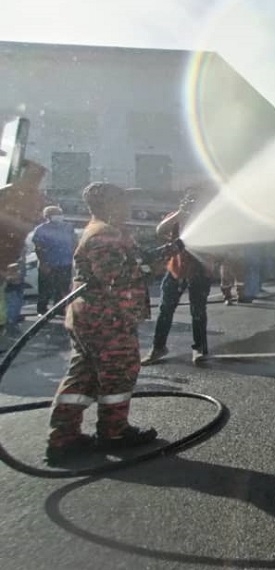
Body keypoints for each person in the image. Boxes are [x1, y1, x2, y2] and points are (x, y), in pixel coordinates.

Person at [46, 183, 161, 465]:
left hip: (89, 320)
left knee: (82, 376)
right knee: (119, 375)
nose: (127, 207)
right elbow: (115, 279)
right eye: (123, 202)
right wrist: (149, 268)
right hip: (107, 322)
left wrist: (142, 257)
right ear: (110, 204)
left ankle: (63, 438)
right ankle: (114, 433)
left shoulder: (100, 230)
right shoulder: (105, 235)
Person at [143, 188, 213, 365]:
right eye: (188, 202)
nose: (191, 206)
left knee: (198, 312)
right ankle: (158, 348)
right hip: (175, 271)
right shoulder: (176, 217)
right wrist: (180, 214)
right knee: (165, 311)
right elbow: (160, 230)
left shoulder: (206, 220)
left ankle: (199, 349)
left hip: (199, 272)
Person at [0, 160, 47, 327]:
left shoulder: (35, 197)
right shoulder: (8, 193)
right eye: (33, 177)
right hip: (6, 249)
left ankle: (6, 322)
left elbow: (35, 221)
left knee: (10, 289)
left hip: (13, 251)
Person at [32, 206, 77, 316]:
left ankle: (60, 308)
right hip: (48, 263)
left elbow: (75, 242)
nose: (58, 216)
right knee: (45, 288)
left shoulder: (68, 227)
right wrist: (43, 263)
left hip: (65, 263)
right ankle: (42, 309)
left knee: (63, 287)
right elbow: (38, 247)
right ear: (47, 216)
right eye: (55, 213)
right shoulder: (41, 229)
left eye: (59, 213)